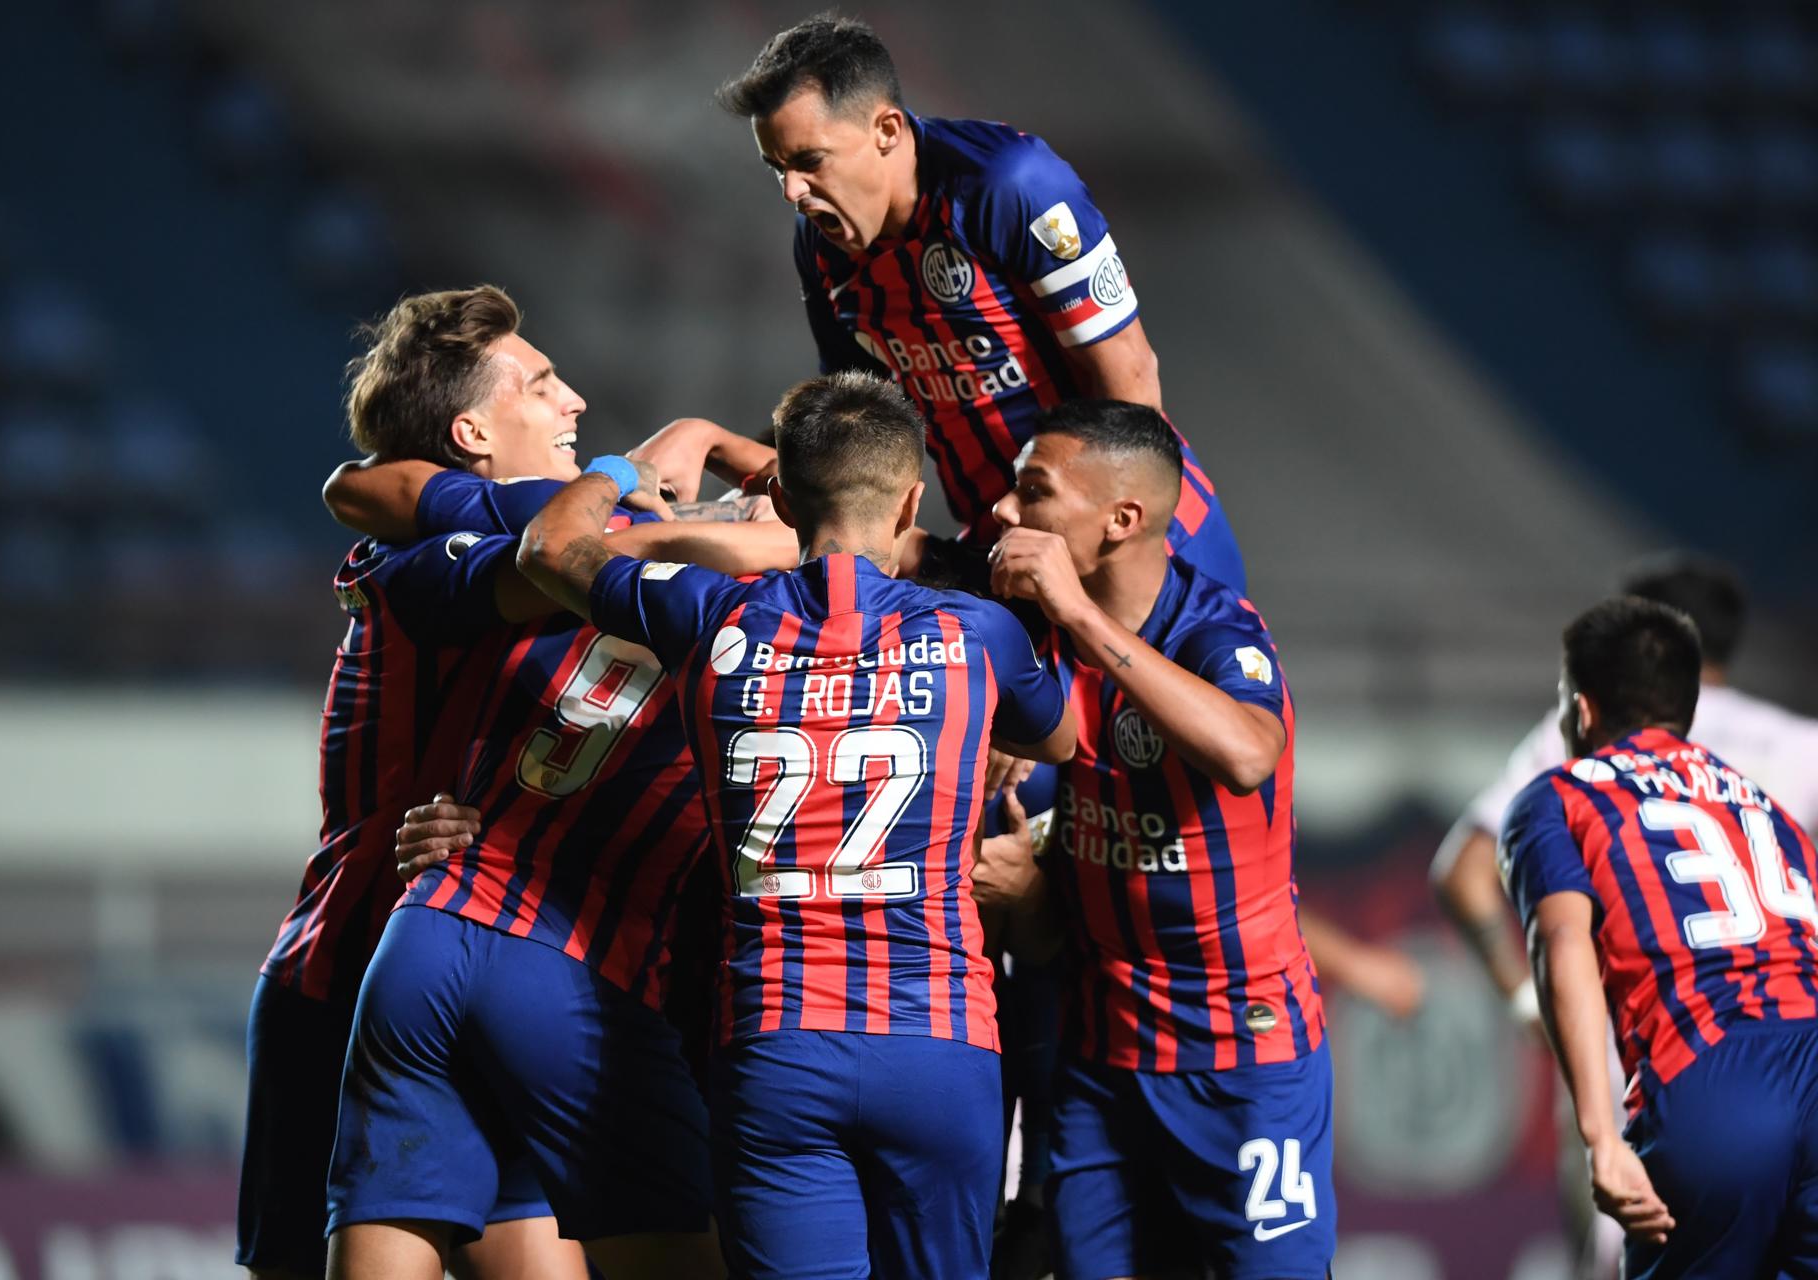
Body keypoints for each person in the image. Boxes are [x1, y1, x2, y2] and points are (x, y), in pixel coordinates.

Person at [516, 370, 1076, 1280]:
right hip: (939, 1044)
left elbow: (547, 547)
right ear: (910, 502)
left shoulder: (706, 615)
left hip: (776, 1048)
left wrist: (620, 467)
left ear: (778, 497)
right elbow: (1057, 733)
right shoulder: (977, 634)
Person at [304, 286, 791, 1280]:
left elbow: (363, 488)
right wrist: (702, 476)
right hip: (478, 956)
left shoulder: (489, 556)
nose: (573, 401)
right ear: (471, 428)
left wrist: (668, 465)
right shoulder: (763, 602)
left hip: (433, 931)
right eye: (545, 382)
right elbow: (375, 491)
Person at [639, 15, 1244, 593]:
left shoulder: (1010, 185)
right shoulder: (825, 247)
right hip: (999, 551)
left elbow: (1129, 375)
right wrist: (710, 448)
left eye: (809, 162)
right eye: (778, 169)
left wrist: (1117, 564)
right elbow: (856, 427)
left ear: (887, 131)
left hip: (1137, 546)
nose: (793, 192)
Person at [981, 399, 1333, 1280]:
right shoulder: (1029, 627)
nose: (1003, 512)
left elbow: (1250, 755)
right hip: (1101, 1058)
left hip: (1244, 1056)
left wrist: (1085, 622)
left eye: (1033, 492)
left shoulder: (1219, 634)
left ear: (1121, 520)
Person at [1430, 555, 1818, 1275]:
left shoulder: (1565, 792)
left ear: (1580, 709)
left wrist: (1599, 1137)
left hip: (1711, 1075)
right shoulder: (1764, 802)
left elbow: (1561, 940)